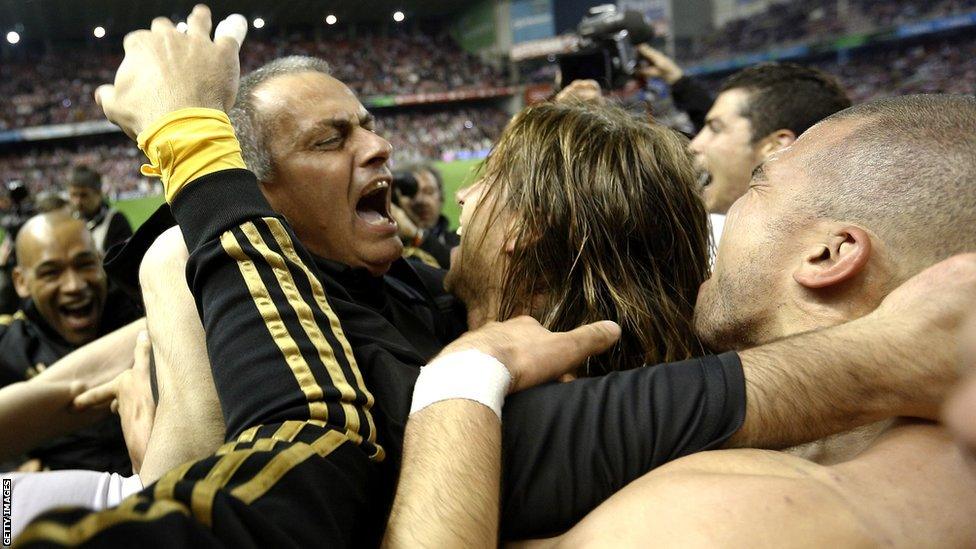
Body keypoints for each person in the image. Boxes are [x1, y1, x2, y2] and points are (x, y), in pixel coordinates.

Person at [17, 9, 975, 545]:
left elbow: (328, 454)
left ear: (526, 238)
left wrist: (462, 384)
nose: (459, 203)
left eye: (494, 191)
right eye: (334, 136)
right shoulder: (415, 296)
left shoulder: (535, 408)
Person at [384, 94, 976, 546]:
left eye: (758, 186)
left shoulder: (712, 516)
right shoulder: (918, 471)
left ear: (828, 254)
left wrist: (462, 377)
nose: (714, 218)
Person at [0, 210, 138, 472]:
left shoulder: (143, 310)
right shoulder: (8, 349)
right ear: (21, 281)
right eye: (51, 273)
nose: (74, 285)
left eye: (85, 264)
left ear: (100, 261)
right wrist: (12, 475)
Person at [391, 164, 459, 269]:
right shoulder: (388, 250)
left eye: (429, 191)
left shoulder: (459, 242)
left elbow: (460, 269)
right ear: (396, 198)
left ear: (441, 198)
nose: (420, 200)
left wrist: (417, 235)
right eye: (411, 192)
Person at [66, 165, 133, 254]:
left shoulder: (116, 221)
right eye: (73, 195)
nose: (77, 202)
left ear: (99, 194)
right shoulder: (68, 219)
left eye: (84, 195)